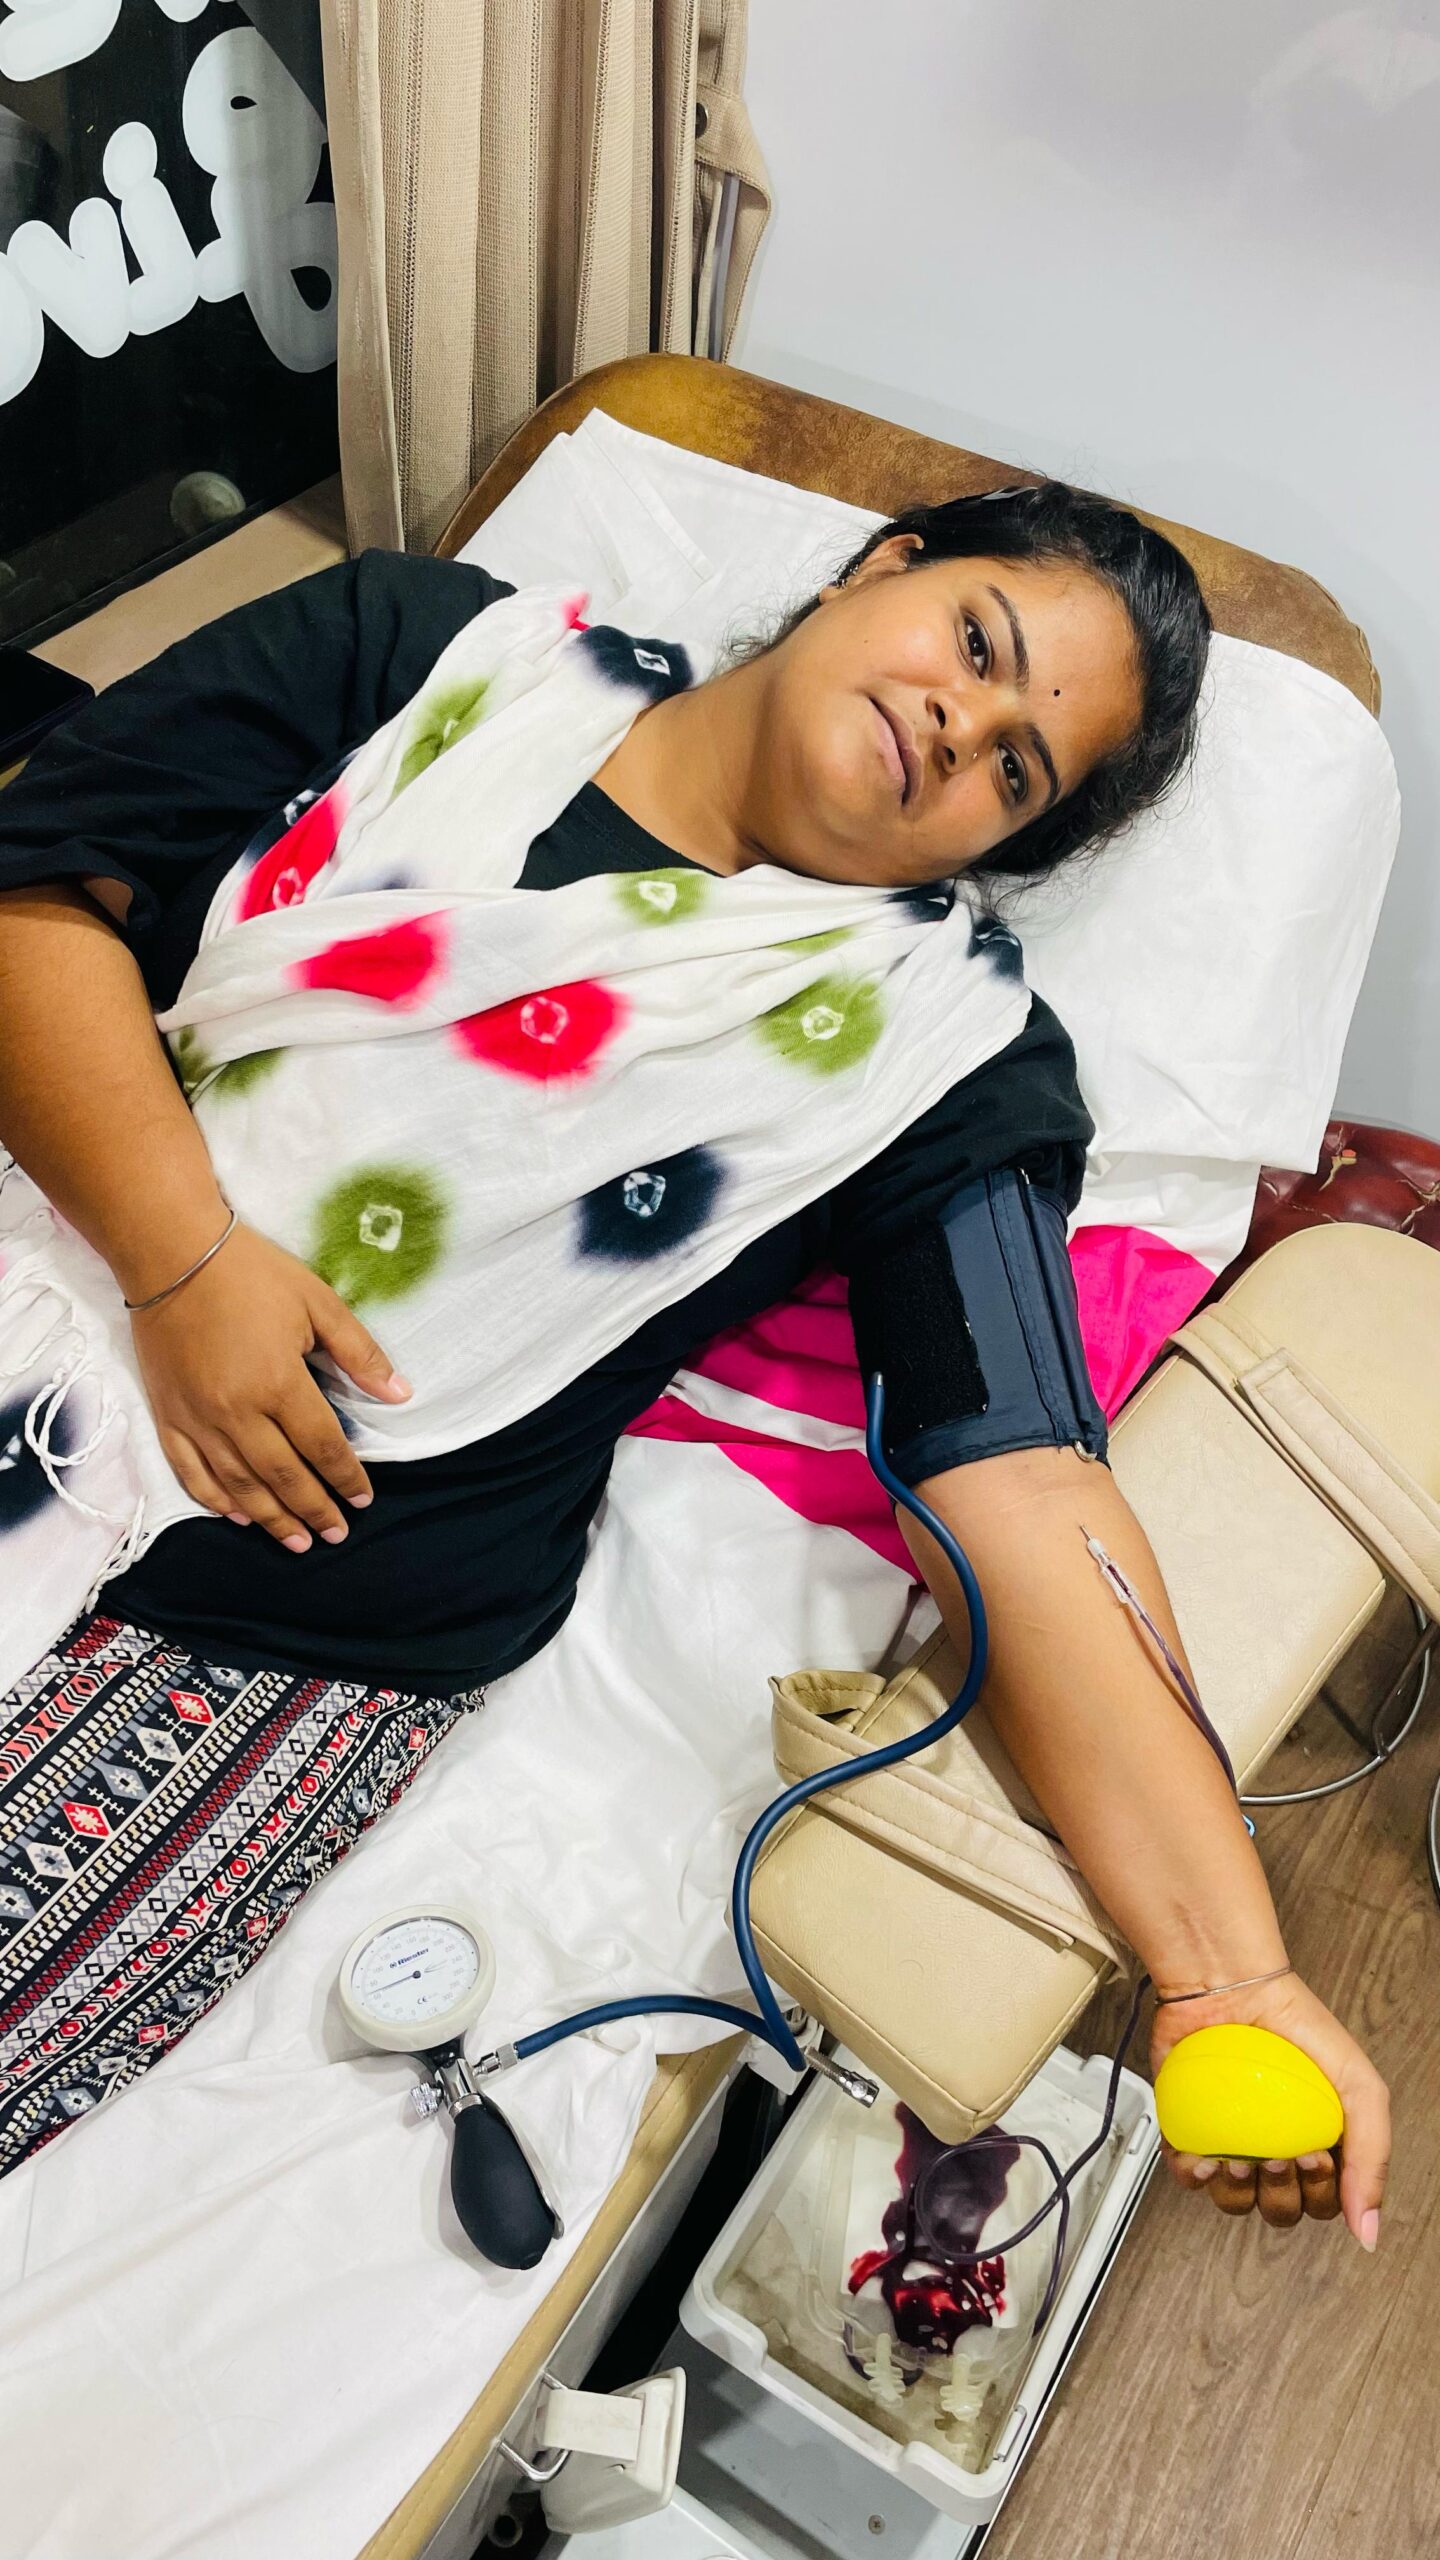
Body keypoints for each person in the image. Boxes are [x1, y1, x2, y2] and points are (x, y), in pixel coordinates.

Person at [0, 484, 1388, 2242]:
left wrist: (1230, 1969)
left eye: (1017, 769)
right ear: (882, 566)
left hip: (295, 1616)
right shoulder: (411, 648)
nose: (960, 726)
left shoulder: (941, 1053)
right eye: (976, 643)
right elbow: (34, 886)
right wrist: (183, 1264)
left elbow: (1023, 1476)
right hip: (56, 1265)